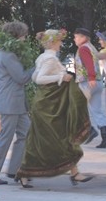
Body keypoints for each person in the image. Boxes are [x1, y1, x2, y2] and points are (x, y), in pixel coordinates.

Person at [16, 29, 92, 187]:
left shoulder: (43, 57)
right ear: (52, 43)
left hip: (46, 104)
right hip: (48, 107)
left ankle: (74, 173)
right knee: (59, 140)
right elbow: (39, 79)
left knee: (43, 141)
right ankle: (25, 172)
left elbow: (34, 76)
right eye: (59, 41)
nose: (61, 44)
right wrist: (60, 77)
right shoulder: (50, 59)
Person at [0, 21, 33, 185]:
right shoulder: (8, 55)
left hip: (12, 102)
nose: (24, 39)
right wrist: (36, 67)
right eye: (23, 36)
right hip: (11, 102)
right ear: (16, 36)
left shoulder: (0, 52)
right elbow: (21, 77)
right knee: (5, 137)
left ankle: (15, 170)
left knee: (26, 133)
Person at [74, 28, 106, 148]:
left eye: (76, 37)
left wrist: (90, 77)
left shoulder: (83, 48)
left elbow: (88, 63)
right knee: (97, 111)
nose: (75, 40)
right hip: (98, 83)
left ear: (83, 38)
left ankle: (89, 130)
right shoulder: (91, 47)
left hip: (87, 83)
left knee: (75, 108)